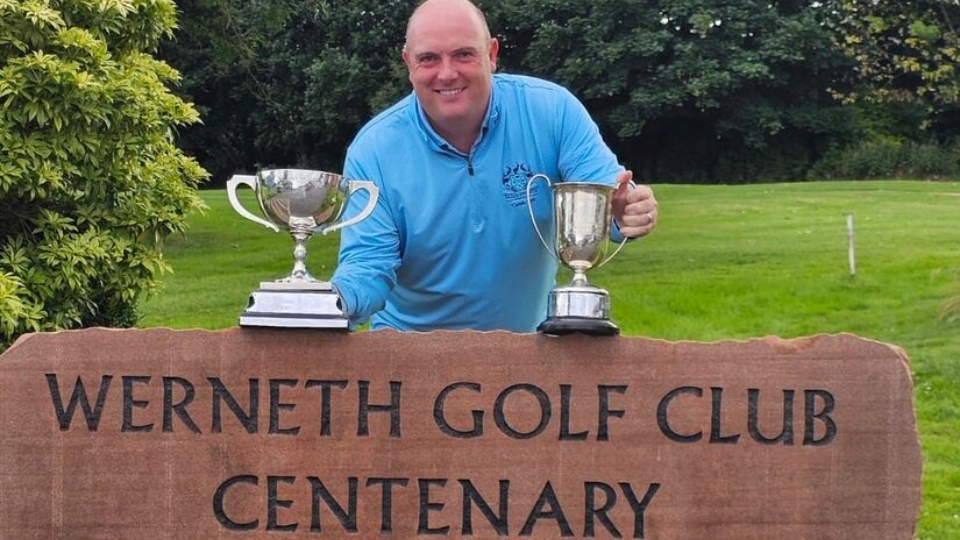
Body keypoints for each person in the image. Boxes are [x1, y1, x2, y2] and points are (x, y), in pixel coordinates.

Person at [330, 0, 658, 332]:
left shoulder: (553, 111)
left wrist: (623, 213)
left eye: (463, 54)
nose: (447, 73)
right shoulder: (373, 150)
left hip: (525, 356)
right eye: (428, 58)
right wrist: (329, 303)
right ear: (408, 64)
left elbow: (606, 193)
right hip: (408, 359)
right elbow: (369, 266)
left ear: (491, 54)